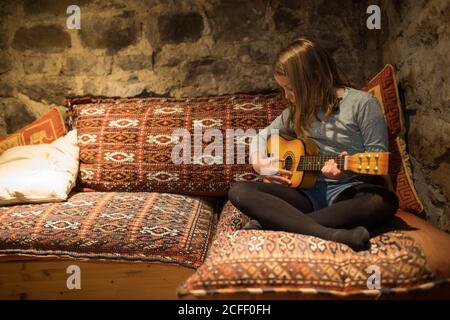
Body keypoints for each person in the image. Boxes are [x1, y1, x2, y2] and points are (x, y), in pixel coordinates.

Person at [228, 38, 399, 252]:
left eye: (291, 88)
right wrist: (259, 164)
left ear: (315, 77)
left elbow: (378, 163)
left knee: (382, 202)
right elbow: (261, 136)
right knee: (239, 191)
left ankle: (277, 223)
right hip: (304, 195)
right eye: (283, 89)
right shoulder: (296, 111)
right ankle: (332, 234)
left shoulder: (362, 104)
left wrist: (343, 172)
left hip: (347, 193)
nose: (287, 96)